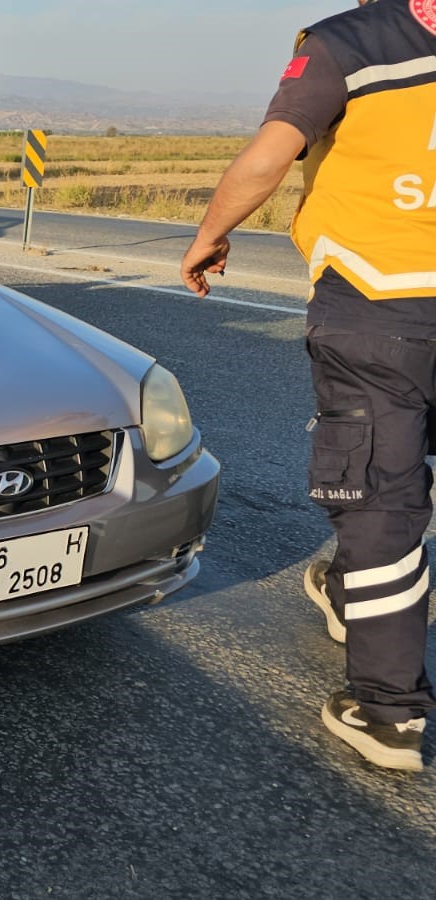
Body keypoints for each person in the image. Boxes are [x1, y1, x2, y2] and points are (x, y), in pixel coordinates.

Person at [180, 0, 436, 770]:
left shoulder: (351, 41)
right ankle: (348, 589)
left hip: (381, 305)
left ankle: (388, 713)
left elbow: (270, 156)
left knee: (383, 498)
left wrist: (208, 235)